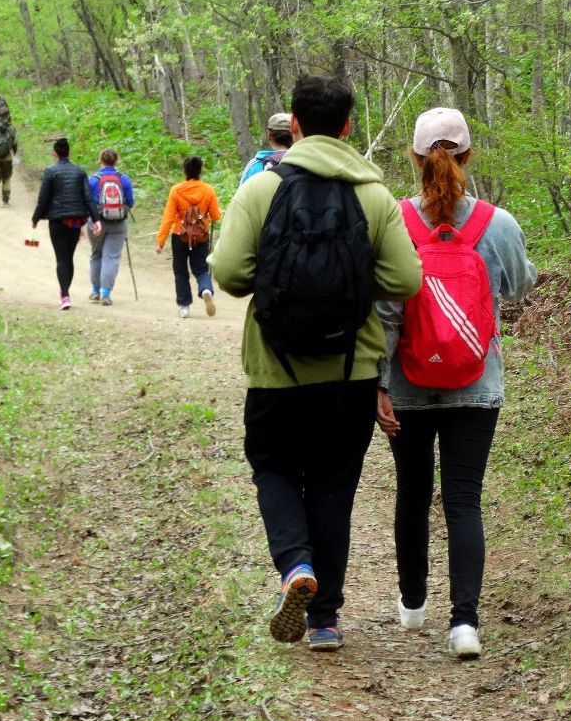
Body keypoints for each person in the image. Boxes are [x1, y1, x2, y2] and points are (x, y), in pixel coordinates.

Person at [209, 74, 422, 652]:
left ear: (294, 126)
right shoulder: (373, 195)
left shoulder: (260, 190)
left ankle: (294, 566)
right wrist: (351, 286)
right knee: (333, 486)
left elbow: (227, 274)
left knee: (274, 469)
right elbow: (406, 278)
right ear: (348, 126)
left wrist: (277, 282)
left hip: (274, 369)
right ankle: (324, 619)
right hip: (350, 372)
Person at [375, 107, 536, 660]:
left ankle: (413, 603)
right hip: (477, 382)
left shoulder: (394, 222)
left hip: (407, 383)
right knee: (463, 499)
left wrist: (377, 384)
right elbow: (517, 286)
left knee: (412, 493)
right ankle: (464, 624)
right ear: (468, 156)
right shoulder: (499, 224)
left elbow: (384, 313)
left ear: (414, 158)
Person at [32, 137, 102, 310]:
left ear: (54, 153)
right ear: (69, 152)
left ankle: (64, 295)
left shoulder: (50, 171)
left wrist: (36, 218)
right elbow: (88, 197)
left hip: (57, 221)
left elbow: (43, 198)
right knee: (68, 258)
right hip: (75, 222)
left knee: (61, 259)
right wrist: (97, 219)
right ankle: (65, 292)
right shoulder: (80, 171)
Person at [155, 156, 222, 319]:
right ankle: (205, 289)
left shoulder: (176, 190)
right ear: (200, 171)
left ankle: (184, 306)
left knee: (180, 270)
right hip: (201, 236)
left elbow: (168, 218)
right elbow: (215, 216)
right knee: (200, 268)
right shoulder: (208, 190)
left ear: (184, 171)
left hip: (180, 235)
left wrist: (160, 242)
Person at [87, 149, 135, 306]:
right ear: (116, 161)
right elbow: (130, 202)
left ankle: (95, 290)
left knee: (96, 254)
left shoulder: (93, 180)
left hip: (96, 223)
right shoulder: (124, 179)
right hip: (118, 224)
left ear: (101, 161)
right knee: (111, 257)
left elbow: (87, 202)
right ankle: (106, 294)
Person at [240, 112, 294, 185]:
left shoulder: (256, 165)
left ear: (269, 135)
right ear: (293, 135)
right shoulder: (302, 161)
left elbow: (242, 194)